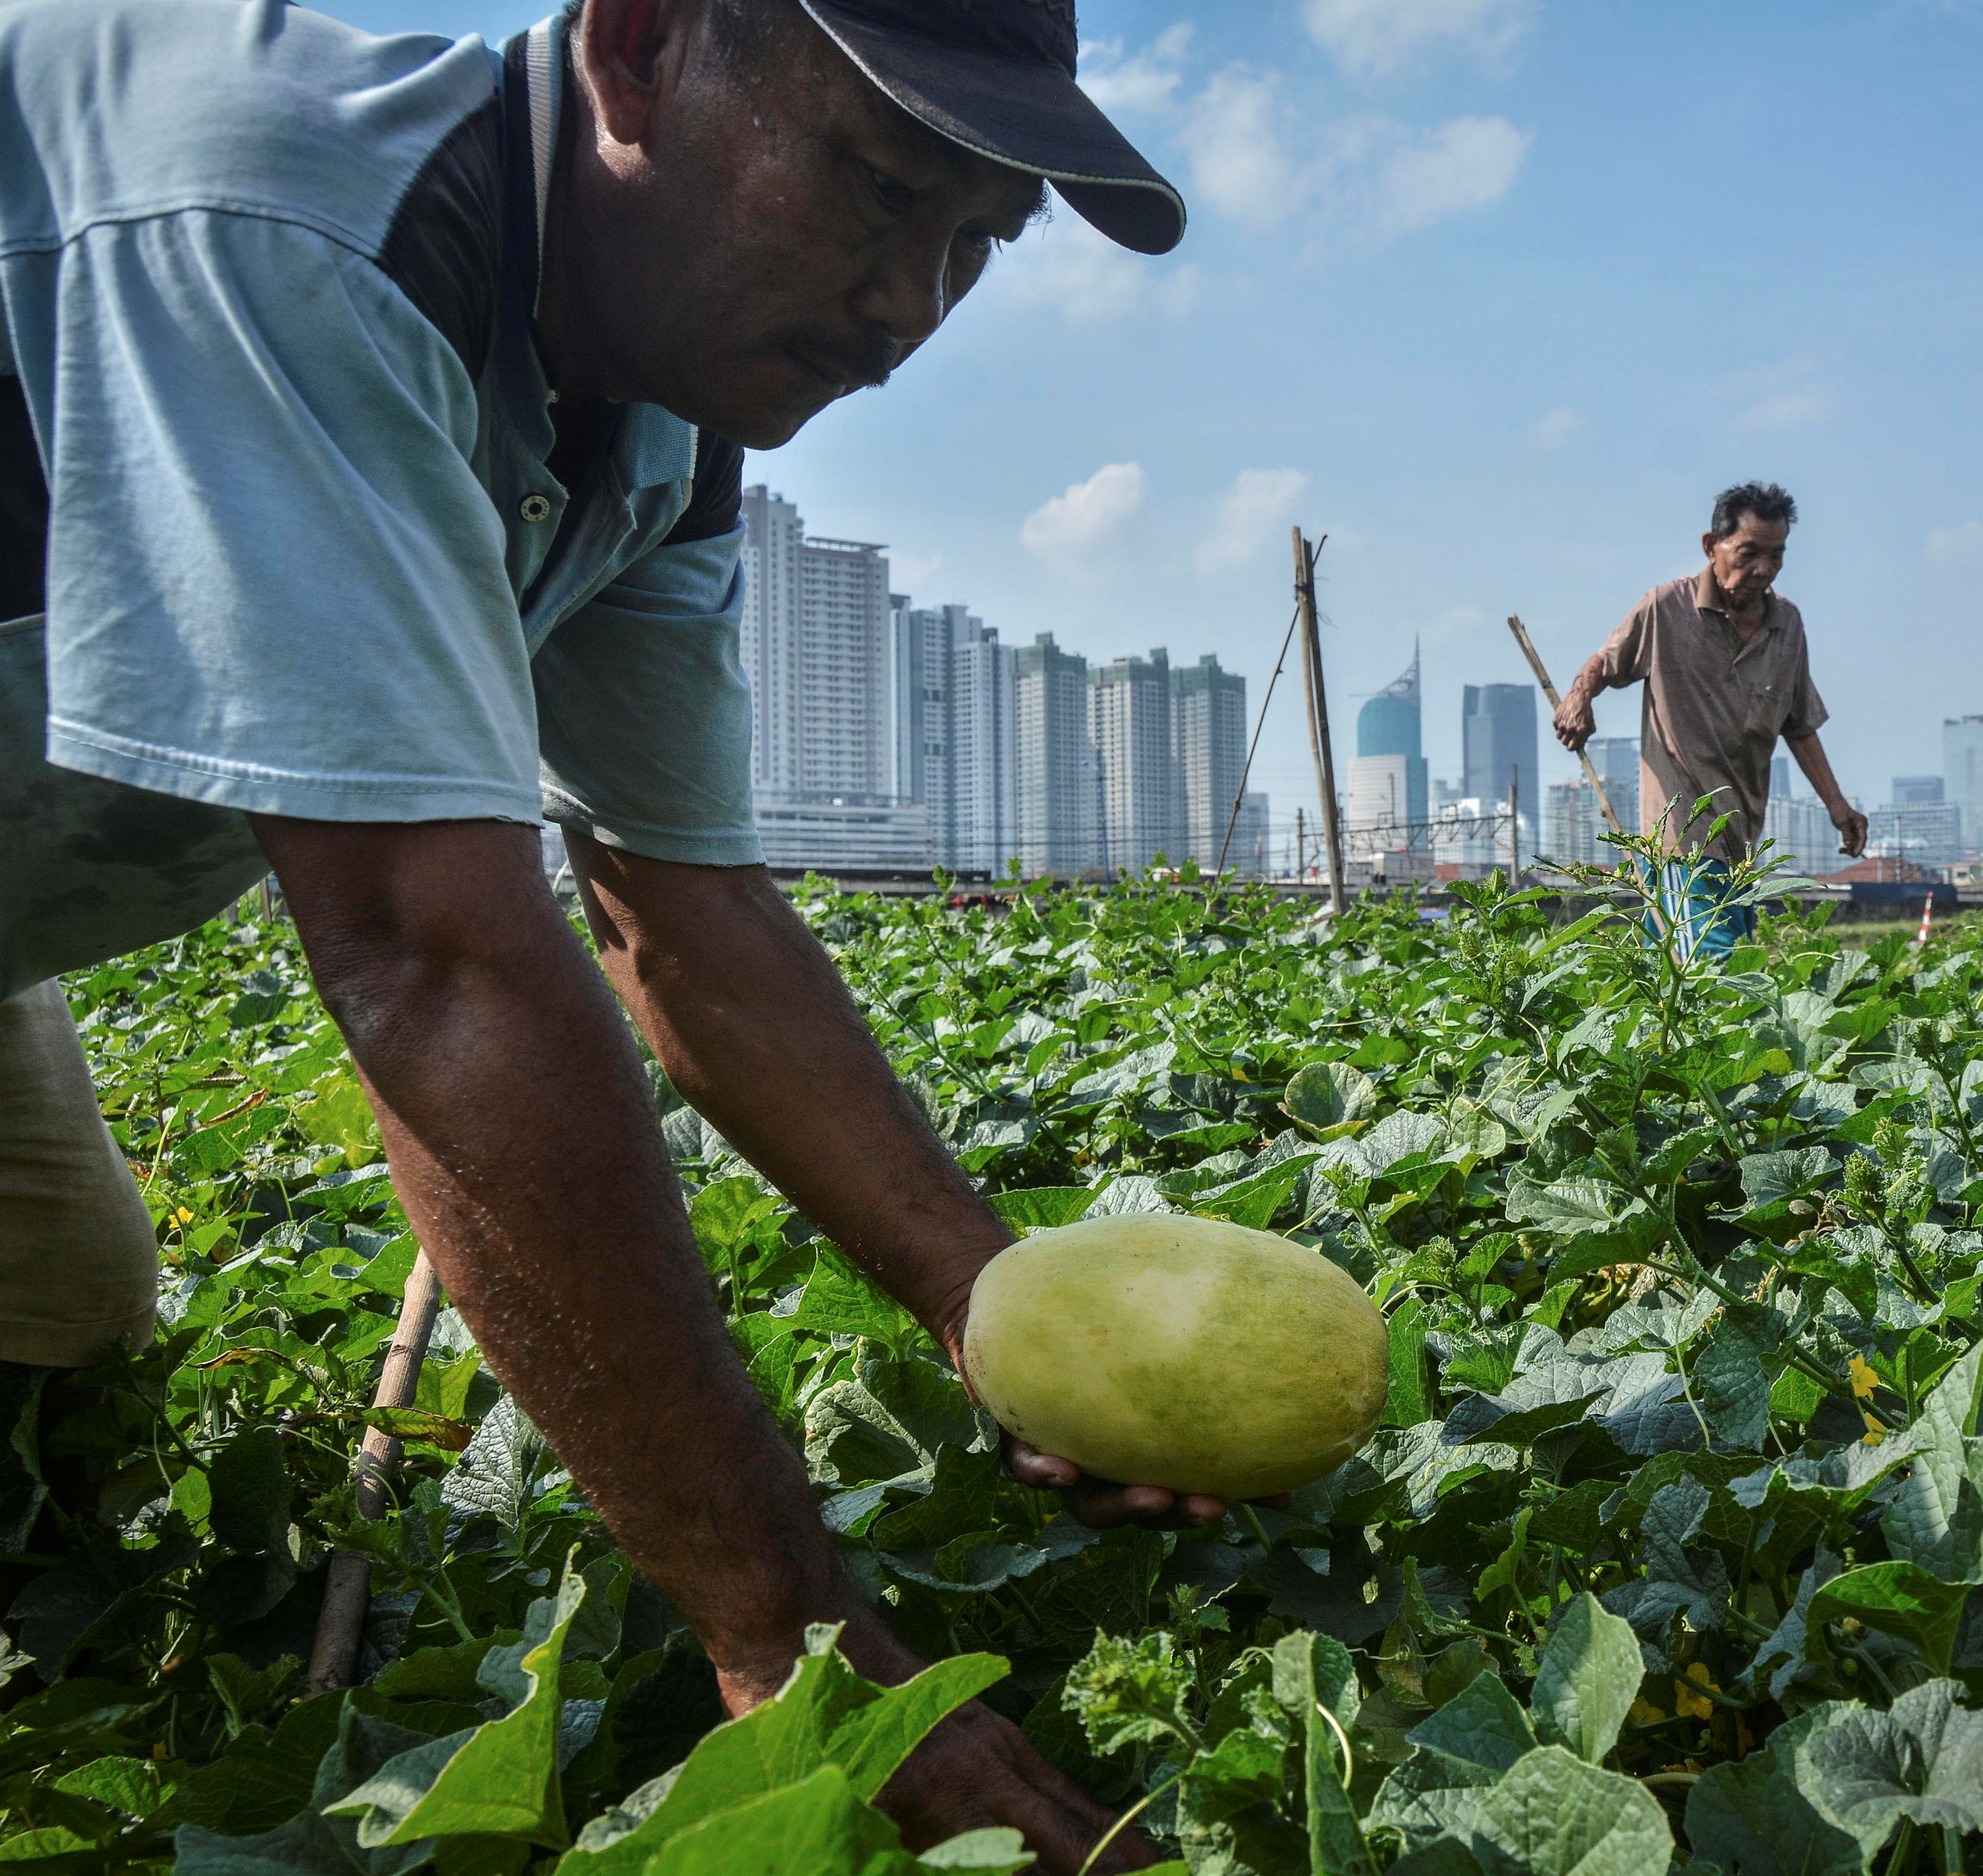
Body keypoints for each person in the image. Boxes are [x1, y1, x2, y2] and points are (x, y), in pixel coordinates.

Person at [1, 0, 1207, 1857]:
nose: (908, 304)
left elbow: (683, 913)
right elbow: (433, 956)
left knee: (58, 1306)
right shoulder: (295, 212)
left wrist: (999, 1308)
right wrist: (788, 1629)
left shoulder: (662, 420)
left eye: (976, 241)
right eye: (882, 188)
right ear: (639, 48)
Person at [1551, 482, 1868, 954]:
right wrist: (1579, 698)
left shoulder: (1788, 627)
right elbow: (1603, 662)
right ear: (1710, 546)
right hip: (1680, 842)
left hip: (1743, 844)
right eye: (1748, 554)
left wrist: (1838, 807)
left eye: (1776, 557)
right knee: (1720, 977)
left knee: (1704, 988)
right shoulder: (1665, 609)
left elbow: (1798, 725)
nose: (1763, 570)